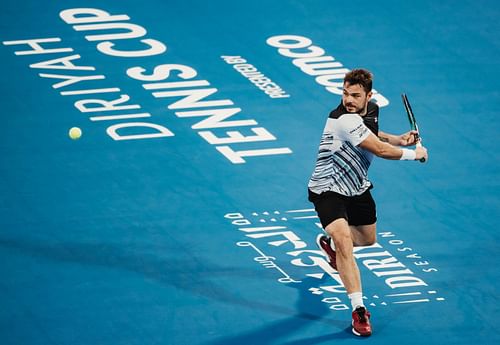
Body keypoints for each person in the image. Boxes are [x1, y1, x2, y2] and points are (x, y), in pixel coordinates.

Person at [307, 69, 428, 337]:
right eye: (345, 93)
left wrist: (397, 138)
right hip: (328, 188)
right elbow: (379, 150)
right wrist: (413, 154)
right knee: (345, 243)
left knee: (367, 239)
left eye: (355, 95)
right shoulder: (341, 118)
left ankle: (330, 247)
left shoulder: (370, 110)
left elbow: (373, 133)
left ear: (369, 96)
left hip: (357, 187)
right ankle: (359, 310)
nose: (348, 100)